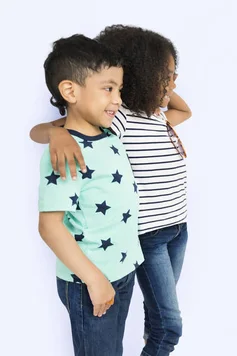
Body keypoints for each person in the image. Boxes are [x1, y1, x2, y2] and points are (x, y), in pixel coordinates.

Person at [31, 25, 192, 356]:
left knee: (130, 337)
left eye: (119, 89)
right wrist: (55, 133)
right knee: (157, 329)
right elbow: (49, 224)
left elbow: (184, 110)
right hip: (119, 257)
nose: (172, 84)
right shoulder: (111, 125)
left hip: (139, 253)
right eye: (165, 76)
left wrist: (163, 82)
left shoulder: (136, 123)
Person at [37, 34, 144, 356]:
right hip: (89, 280)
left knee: (113, 350)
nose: (117, 100)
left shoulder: (108, 133)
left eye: (119, 90)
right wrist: (95, 280)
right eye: (108, 88)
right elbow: (50, 226)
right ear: (70, 91)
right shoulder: (68, 151)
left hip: (122, 268)